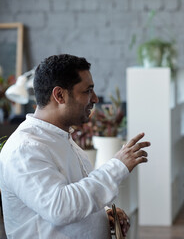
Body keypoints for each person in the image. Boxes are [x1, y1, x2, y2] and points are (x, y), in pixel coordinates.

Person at [0, 54, 151, 238]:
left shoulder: (61, 138)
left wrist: (101, 215)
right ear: (60, 95)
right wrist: (117, 166)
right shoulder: (24, 149)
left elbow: (72, 198)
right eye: (87, 91)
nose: (95, 98)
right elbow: (60, 208)